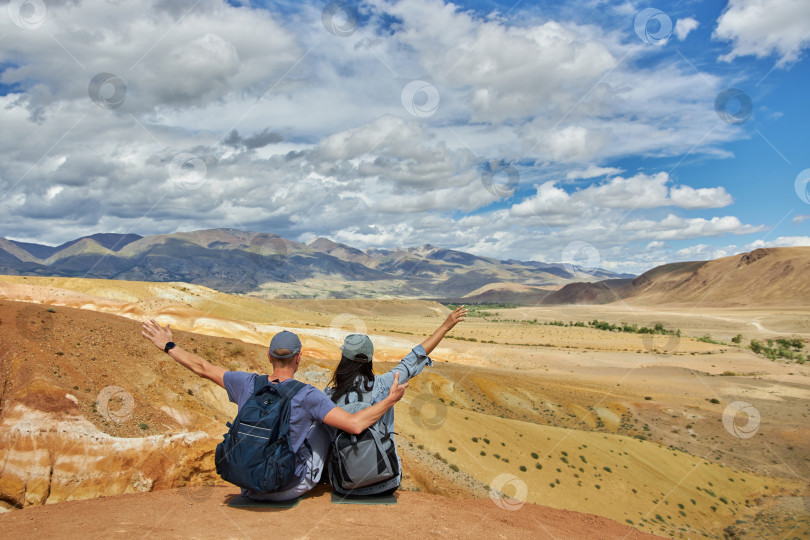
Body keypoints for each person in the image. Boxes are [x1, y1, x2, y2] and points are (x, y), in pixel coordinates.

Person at [141, 320, 408, 501]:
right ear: (298, 358)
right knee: (322, 426)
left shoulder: (245, 383)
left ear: (269, 356)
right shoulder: (308, 395)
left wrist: (168, 345)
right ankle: (335, 479)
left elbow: (202, 368)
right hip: (286, 488)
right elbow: (353, 425)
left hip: (248, 485)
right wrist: (388, 401)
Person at [324, 305, 467, 496]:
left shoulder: (328, 395)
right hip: (386, 481)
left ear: (343, 360)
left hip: (343, 485)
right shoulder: (385, 384)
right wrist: (445, 326)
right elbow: (413, 360)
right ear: (369, 361)